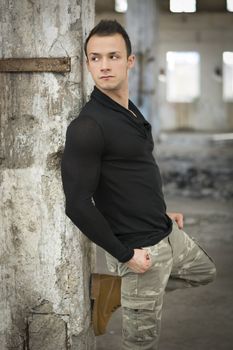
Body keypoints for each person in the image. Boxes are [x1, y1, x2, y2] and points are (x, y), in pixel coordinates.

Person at [61, 19, 216, 350]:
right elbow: (76, 203)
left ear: (130, 61)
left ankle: (119, 290)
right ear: (87, 63)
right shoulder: (87, 126)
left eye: (113, 56)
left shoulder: (129, 110)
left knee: (205, 271)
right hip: (139, 252)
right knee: (140, 346)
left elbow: (134, 174)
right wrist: (125, 255)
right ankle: (129, 285)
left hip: (164, 229)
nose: (104, 66)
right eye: (95, 58)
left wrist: (162, 212)